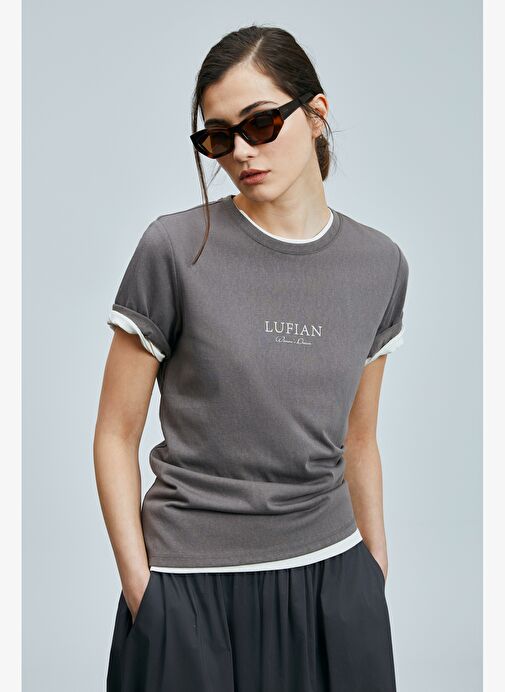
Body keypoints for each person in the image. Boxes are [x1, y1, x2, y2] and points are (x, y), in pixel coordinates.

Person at [95, 23, 409, 692]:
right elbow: (115, 432)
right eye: (218, 137)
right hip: (190, 589)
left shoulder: (379, 265)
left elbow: (358, 436)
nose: (240, 151)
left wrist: (373, 566)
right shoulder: (174, 249)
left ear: (316, 114)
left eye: (261, 123)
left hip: (333, 582)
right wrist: (143, 591)